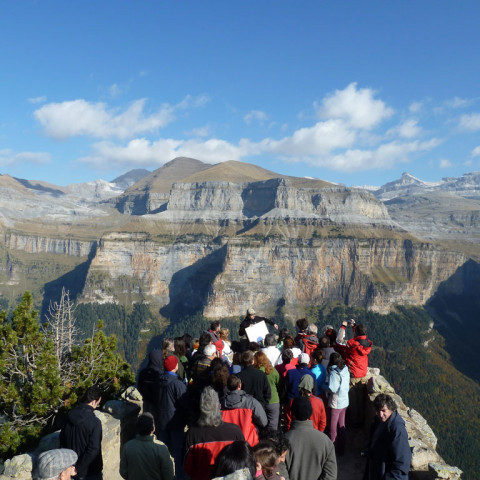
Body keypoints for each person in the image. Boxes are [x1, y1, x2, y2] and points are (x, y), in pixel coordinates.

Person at [184, 387, 245, 480]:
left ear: (201, 408)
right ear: (219, 407)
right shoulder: (235, 431)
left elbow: (187, 467)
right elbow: (243, 461)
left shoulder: (192, 434)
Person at [285, 397, 337, 480]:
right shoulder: (326, 441)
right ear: (310, 413)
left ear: (292, 413)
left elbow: (280, 472)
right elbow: (331, 475)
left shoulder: (284, 440)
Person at [154, 355, 188, 479]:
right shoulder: (177, 384)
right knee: (178, 454)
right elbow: (185, 403)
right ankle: (179, 476)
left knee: (164, 452)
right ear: (175, 366)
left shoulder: (158, 380)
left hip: (161, 420)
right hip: (175, 421)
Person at [364, 394, 412, 480]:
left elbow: (402, 461)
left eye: (383, 410)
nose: (380, 414)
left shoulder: (397, 429)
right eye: (378, 411)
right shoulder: (380, 422)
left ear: (391, 409)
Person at [59, 386, 103, 480]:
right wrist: (77, 468)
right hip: (90, 471)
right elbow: (94, 449)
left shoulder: (68, 416)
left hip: (70, 469)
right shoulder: (95, 422)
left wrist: (71, 467)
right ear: (94, 401)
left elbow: (62, 441)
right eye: (98, 403)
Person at [334, 319, 372, 427]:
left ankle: (354, 422)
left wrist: (343, 326)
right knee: (361, 398)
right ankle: (361, 419)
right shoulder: (367, 342)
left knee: (353, 399)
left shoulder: (352, 344)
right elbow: (360, 336)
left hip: (353, 373)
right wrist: (354, 326)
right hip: (363, 372)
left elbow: (339, 340)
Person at [120, 413, 174, 480]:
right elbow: (169, 475)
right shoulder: (161, 448)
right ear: (153, 429)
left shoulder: (127, 447)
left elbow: (123, 471)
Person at [221, 374, 268, 446]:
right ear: (239, 385)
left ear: (227, 386)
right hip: (248, 442)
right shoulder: (251, 402)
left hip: (227, 444)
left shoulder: (221, 403)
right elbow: (264, 421)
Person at [327, 352, 350, 455]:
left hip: (336, 402)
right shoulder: (345, 369)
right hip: (345, 400)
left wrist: (324, 386)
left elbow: (333, 388)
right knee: (342, 424)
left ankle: (331, 448)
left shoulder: (334, 372)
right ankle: (342, 447)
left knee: (332, 427)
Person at [254, 351, 281, 430]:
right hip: (274, 400)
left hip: (260, 402)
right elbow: (279, 383)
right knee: (273, 426)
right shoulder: (273, 370)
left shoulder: (256, 372)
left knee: (261, 425)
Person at [137, 350, 164, 414]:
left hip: (146, 402)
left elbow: (139, 387)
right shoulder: (160, 374)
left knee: (147, 418)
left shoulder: (143, 373)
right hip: (158, 404)